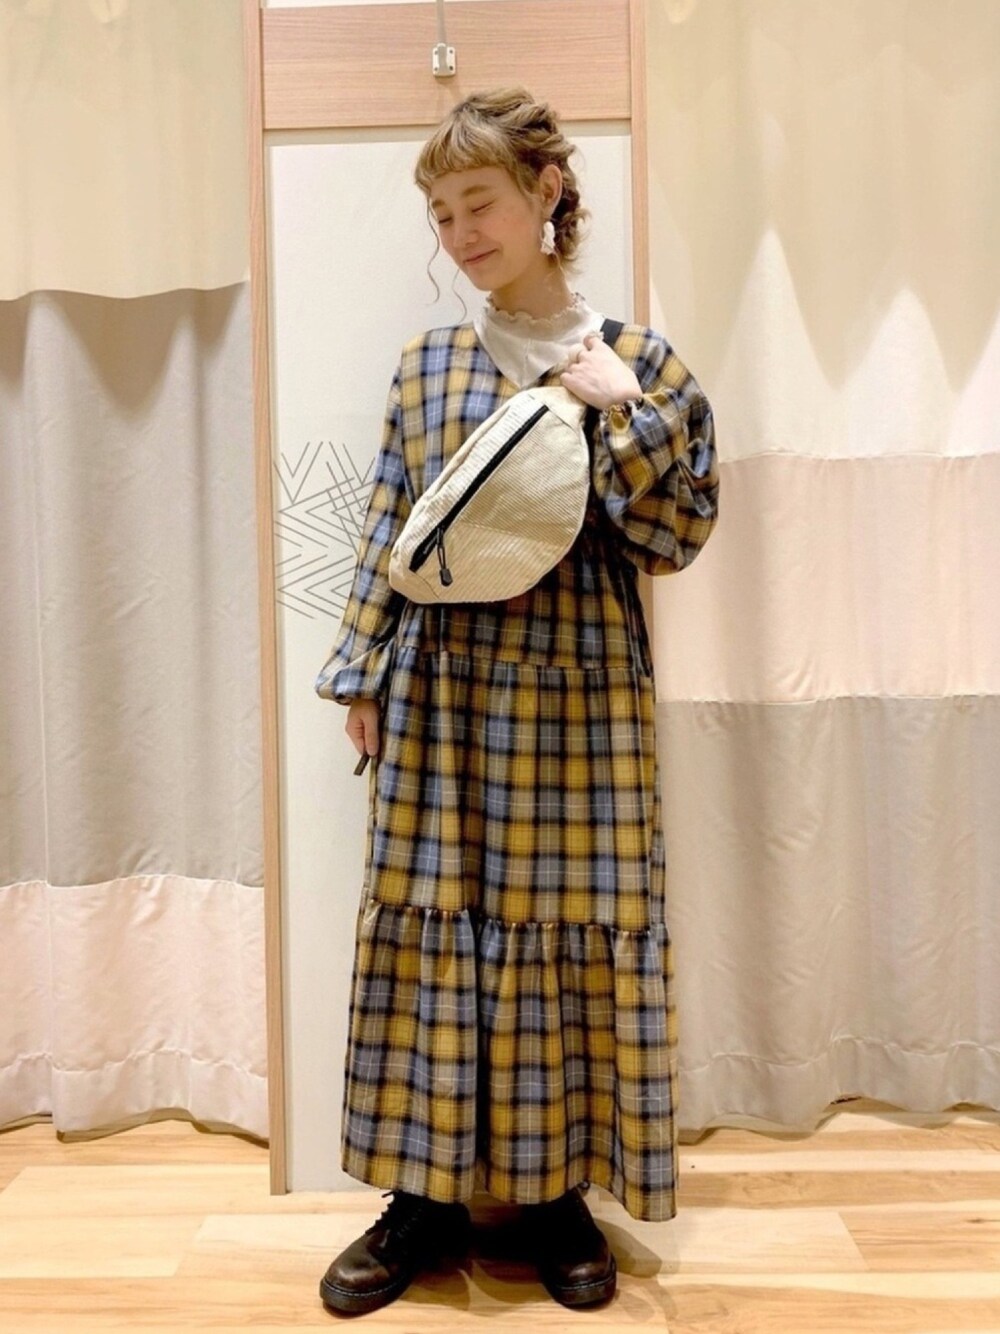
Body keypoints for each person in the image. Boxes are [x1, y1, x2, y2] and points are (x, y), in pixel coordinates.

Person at [314, 87, 719, 1317]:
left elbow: (675, 538)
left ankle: (554, 1199)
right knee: (430, 924)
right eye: (441, 214)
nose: (461, 233)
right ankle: (422, 1199)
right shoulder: (428, 365)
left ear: (546, 190)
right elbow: (389, 525)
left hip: (581, 704)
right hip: (440, 696)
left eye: (478, 202)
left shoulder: (644, 363)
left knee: (570, 929)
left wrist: (622, 408)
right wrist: (360, 671)